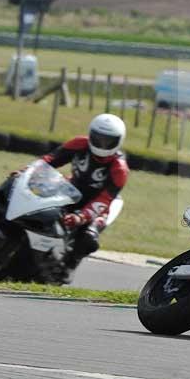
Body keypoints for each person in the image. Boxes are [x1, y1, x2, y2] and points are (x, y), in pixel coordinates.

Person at [31, 114, 129, 270]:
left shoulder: (119, 168)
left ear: (119, 141)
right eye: (98, 138)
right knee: (38, 208)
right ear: (91, 134)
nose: (102, 144)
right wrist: (27, 171)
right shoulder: (79, 143)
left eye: (108, 141)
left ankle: (68, 267)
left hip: (100, 204)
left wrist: (81, 217)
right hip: (71, 189)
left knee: (89, 238)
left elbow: (105, 199)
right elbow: (50, 160)